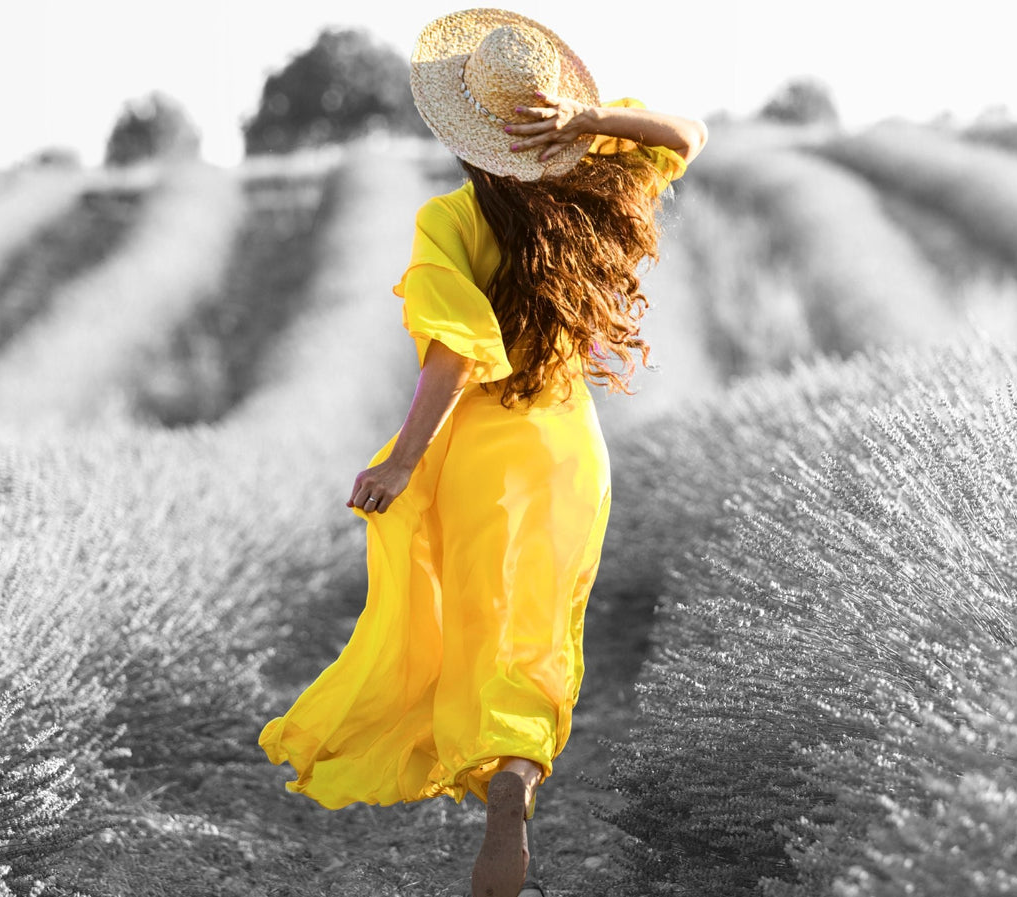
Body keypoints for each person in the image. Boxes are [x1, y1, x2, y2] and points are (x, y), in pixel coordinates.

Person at [259, 9, 707, 897]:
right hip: (567, 446)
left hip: (480, 453)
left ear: (463, 128)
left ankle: (479, 757)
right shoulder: (595, 187)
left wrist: (401, 461)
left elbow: (456, 351)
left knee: (473, 620)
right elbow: (688, 134)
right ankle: (517, 769)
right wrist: (587, 124)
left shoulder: (452, 217)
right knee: (539, 621)